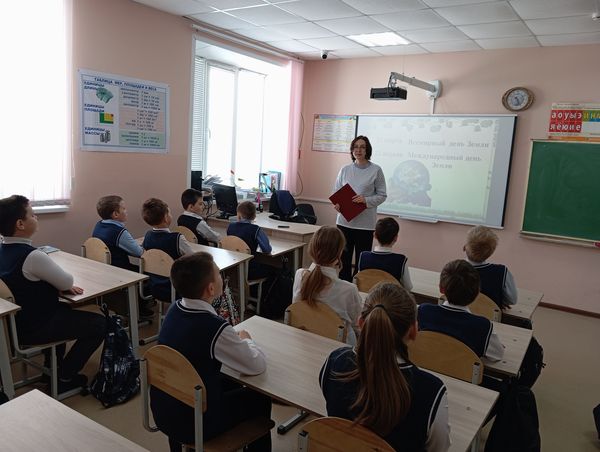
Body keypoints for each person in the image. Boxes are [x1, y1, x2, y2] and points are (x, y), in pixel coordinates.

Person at [150, 252, 272, 452]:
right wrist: (247, 340)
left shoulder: (174, 310)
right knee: (259, 397)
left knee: (230, 382)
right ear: (211, 288)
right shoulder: (213, 327)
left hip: (166, 410)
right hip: (196, 422)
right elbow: (256, 365)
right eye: (218, 273)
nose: (222, 277)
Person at [319, 282, 450, 451]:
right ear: (414, 331)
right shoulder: (431, 391)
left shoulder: (335, 362)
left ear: (361, 323)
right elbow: (439, 448)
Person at [0, 195, 106, 393]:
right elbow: (67, 281)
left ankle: (51, 369)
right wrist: (58, 284)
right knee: (100, 324)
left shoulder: (3, 250)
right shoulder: (33, 256)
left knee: (63, 311)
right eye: (32, 214)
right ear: (20, 224)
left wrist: (51, 284)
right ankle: (65, 376)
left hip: (15, 325)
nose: (36, 217)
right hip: (36, 326)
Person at [418, 259, 504, 362]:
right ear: (477, 293)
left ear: (441, 288)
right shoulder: (483, 327)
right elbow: (497, 355)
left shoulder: (423, 312)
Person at [292, 226, 362, 345]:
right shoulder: (349, 289)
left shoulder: (300, 275)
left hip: (305, 342)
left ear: (312, 248)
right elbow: (357, 325)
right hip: (338, 348)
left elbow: (297, 310)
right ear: (339, 253)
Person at [333, 135, 387, 281]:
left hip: (365, 225)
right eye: (356, 147)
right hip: (344, 223)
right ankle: (344, 288)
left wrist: (365, 200)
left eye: (362, 147)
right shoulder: (345, 169)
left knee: (361, 263)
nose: (359, 150)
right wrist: (337, 204)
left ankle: (358, 290)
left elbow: (382, 195)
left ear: (367, 150)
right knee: (343, 261)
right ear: (352, 150)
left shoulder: (376, 170)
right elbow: (336, 192)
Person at [142, 198, 194, 301]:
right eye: (169, 212)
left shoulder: (147, 236)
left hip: (154, 286)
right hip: (177, 287)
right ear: (166, 218)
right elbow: (194, 258)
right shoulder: (177, 238)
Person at [464, 225, 517, 309]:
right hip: (489, 316)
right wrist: (496, 301)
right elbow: (512, 300)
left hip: (458, 315)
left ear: (464, 247)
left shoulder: (454, 269)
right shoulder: (501, 271)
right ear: (491, 252)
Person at [357, 217, 413, 290]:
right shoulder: (401, 260)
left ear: (375, 235)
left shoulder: (363, 256)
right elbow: (408, 287)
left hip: (367, 296)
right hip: (390, 297)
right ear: (396, 238)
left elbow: (359, 281)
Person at [92, 195, 143, 270]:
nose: (126, 211)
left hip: (104, 268)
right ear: (115, 214)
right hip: (119, 270)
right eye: (124, 208)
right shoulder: (119, 232)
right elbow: (139, 253)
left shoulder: (98, 225)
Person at [227, 201, 274, 280]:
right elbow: (267, 250)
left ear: (238, 215)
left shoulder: (230, 227)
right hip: (249, 270)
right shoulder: (256, 230)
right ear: (254, 216)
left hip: (232, 268)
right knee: (274, 269)